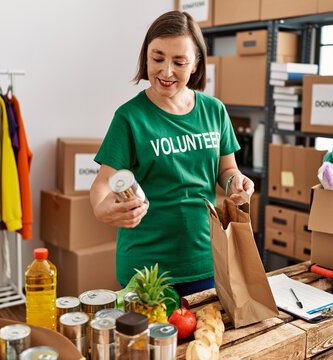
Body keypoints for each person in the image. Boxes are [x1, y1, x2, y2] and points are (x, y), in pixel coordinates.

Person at [90, 10, 254, 297]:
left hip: (204, 259)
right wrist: (103, 209)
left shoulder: (214, 111)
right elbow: (103, 182)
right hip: (145, 270)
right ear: (146, 57)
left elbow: (226, 171)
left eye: (179, 62)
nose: (166, 72)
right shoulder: (129, 117)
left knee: (206, 339)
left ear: (195, 65)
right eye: (157, 58)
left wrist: (236, 183)